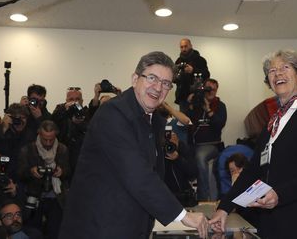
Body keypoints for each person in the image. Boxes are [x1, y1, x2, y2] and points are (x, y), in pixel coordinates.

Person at [59, 51, 208, 239]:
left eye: (166, 83)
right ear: (135, 79)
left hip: (132, 225)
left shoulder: (156, 122)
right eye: (152, 78)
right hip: (98, 227)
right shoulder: (113, 113)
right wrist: (183, 215)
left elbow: (154, 175)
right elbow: (136, 172)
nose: (158, 88)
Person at [209, 49, 297, 239]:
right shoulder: (272, 124)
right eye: (272, 71)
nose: (278, 73)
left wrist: (280, 194)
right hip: (271, 224)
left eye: (285, 67)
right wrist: (224, 208)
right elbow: (251, 172)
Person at [17, 120, 70, 239]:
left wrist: (62, 172)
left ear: (55, 135)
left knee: (55, 232)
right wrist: (31, 171)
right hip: (33, 196)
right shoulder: (27, 150)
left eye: (51, 139)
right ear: (39, 134)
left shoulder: (62, 149)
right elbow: (20, 174)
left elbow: (69, 171)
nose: (48, 142)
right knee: (33, 231)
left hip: (56, 197)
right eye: (45, 139)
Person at [188, 78, 227, 201]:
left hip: (212, 145)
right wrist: (188, 104)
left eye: (213, 90)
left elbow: (219, 124)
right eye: (208, 89)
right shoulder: (196, 104)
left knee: (200, 157)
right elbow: (185, 121)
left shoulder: (220, 105)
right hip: (193, 144)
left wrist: (208, 110)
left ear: (216, 91)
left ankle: (203, 198)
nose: (210, 92)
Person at [174, 38, 210, 111]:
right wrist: (174, 77)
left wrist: (193, 70)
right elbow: (176, 79)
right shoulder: (178, 61)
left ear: (191, 46)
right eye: (181, 47)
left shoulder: (200, 60)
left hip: (196, 96)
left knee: (196, 119)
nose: (184, 49)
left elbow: (206, 75)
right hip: (182, 96)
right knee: (184, 121)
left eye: (186, 46)